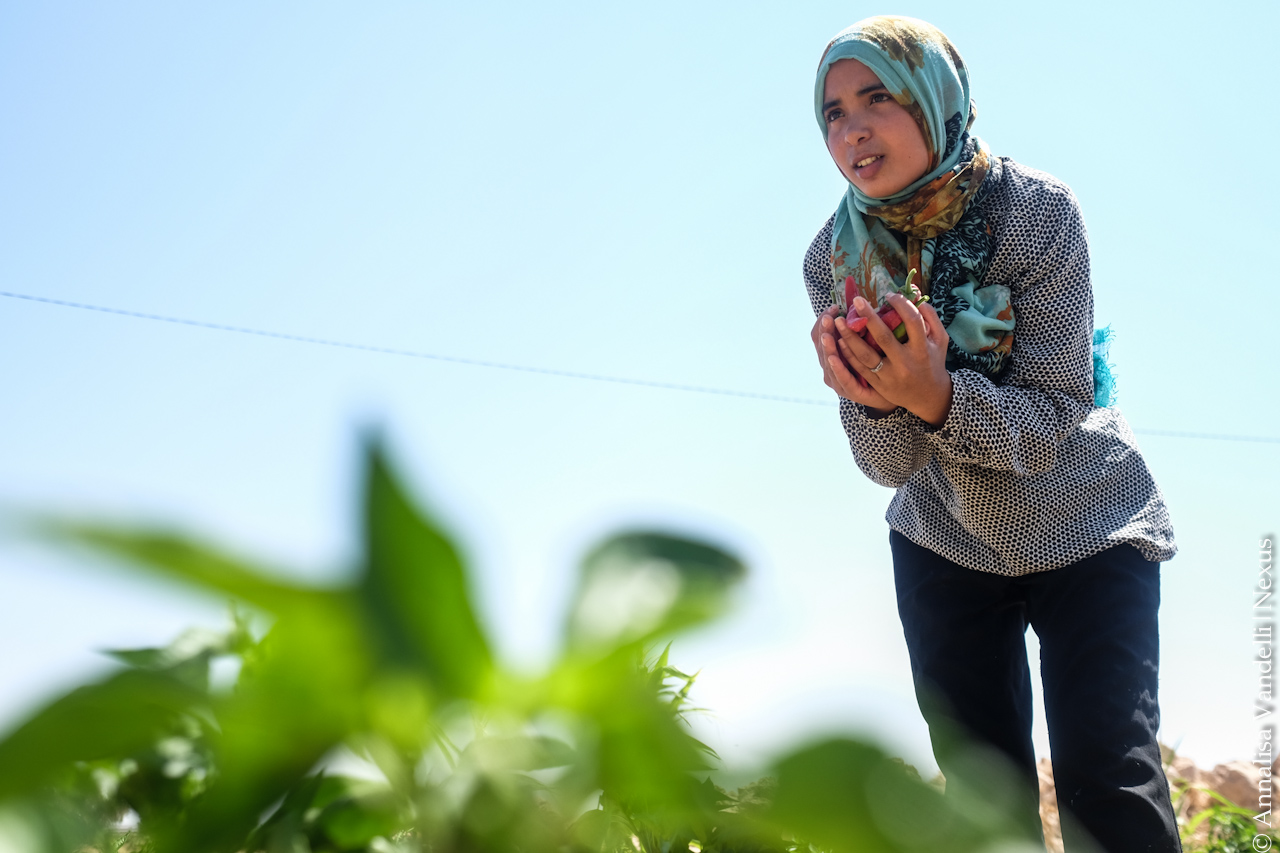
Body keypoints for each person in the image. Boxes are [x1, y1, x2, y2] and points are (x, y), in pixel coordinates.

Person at [803, 16, 1181, 853]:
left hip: (1087, 520)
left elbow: (1051, 421)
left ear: (937, 101)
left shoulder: (1036, 213)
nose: (853, 127)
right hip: (943, 537)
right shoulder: (834, 258)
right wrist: (869, 401)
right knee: (981, 812)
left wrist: (935, 394)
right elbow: (890, 464)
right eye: (832, 112)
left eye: (878, 98)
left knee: (1109, 780)